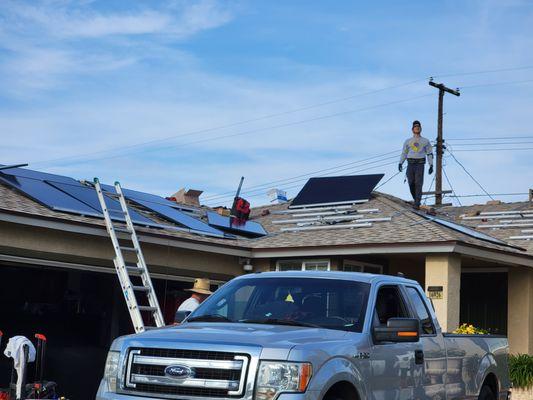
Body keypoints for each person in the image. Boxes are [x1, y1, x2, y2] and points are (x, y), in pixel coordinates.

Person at [398, 120, 434, 210]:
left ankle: (417, 203)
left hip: (420, 164)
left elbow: (429, 153)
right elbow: (404, 153)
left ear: (421, 129)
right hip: (410, 164)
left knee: (418, 183)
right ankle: (416, 199)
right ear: (412, 129)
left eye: (418, 126)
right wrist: (400, 163)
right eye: (415, 126)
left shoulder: (425, 141)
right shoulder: (408, 141)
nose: (417, 127)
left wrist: (431, 165)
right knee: (411, 183)